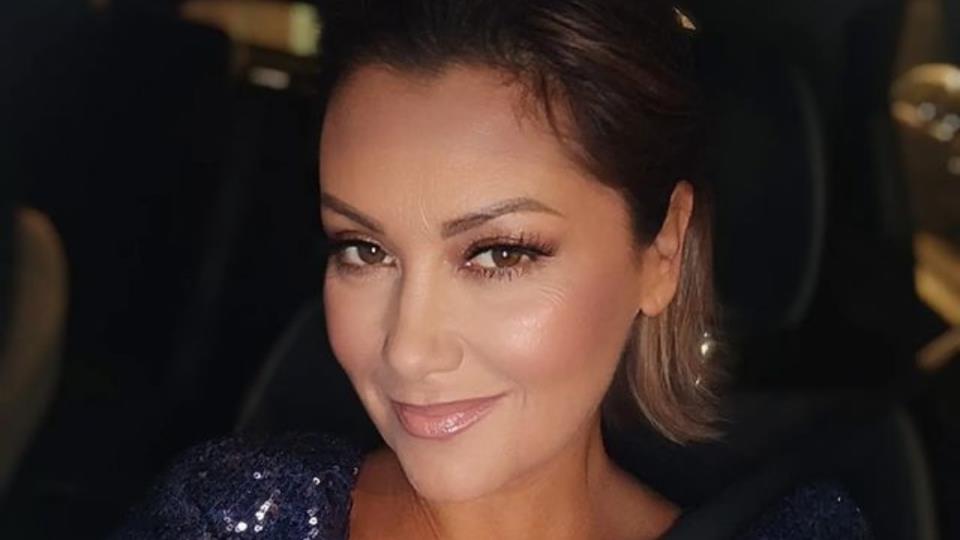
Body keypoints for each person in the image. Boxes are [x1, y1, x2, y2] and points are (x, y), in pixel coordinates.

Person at [112, 1, 871, 538]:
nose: (409, 350)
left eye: (501, 254)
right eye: (364, 249)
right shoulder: (227, 516)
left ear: (662, 251)